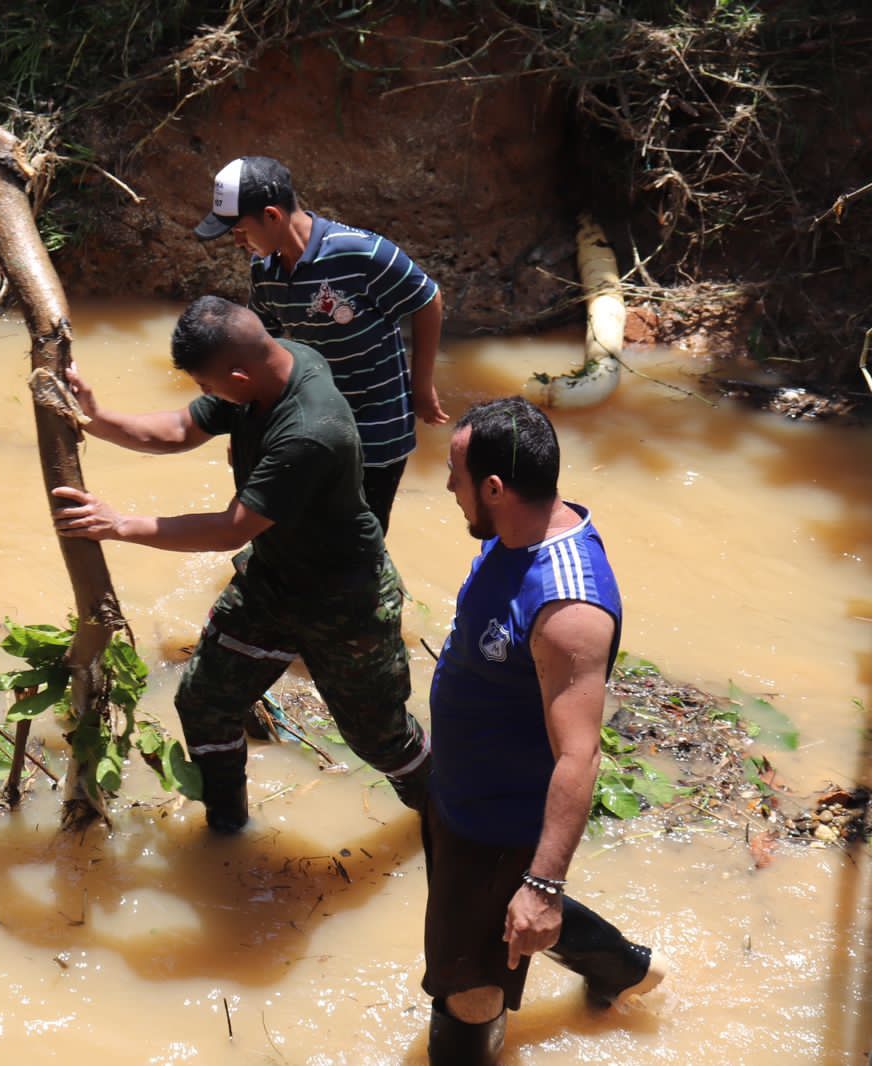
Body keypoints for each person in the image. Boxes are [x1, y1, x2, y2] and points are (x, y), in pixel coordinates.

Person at [51, 295, 431, 831]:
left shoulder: (309, 431)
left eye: (207, 385)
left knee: (379, 738)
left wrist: (119, 525)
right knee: (204, 702)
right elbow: (180, 430)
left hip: (344, 598)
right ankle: (227, 827)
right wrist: (95, 417)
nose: (206, 396)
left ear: (237, 374)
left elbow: (231, 528)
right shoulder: (268, 368)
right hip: (273, 580)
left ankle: (451, 818)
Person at [422, 397, 665, 1064]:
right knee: (495, 918)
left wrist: (545, 885)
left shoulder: (568, 609)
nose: (447, 486)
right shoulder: (514, 534)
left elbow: (579, 756)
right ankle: (622, 968)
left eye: (456, 475)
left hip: (498, 825)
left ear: (495, 488)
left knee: (468, 988)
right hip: (460, 794)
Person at [195, 156, 447, 534]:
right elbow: (260, 349)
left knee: (361, 538)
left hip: (377, 427)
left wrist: (422, 385)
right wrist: (245, 427)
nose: (237, 242)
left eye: (240, 230)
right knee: (304, 535)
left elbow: (427, 299)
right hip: (314, 425)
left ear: (272, 216)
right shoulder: (264, 270)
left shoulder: (361, 253)